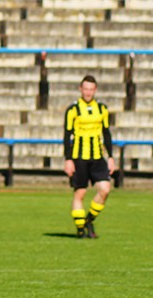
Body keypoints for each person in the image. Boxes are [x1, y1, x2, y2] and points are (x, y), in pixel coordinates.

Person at [63, 75, 114, 239]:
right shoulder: (72, 110)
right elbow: (67, 135)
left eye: (91, 89)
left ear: (95, 90)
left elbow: (106, 133)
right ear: (80, 89)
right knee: (80, 193)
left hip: (98, 156)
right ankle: (80, 230)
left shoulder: (102, 109)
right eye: (85, 89)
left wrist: (111, 156)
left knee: (105, 189)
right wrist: (68, 159)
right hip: (79, 157)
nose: (88, 92)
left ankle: (88, 220)